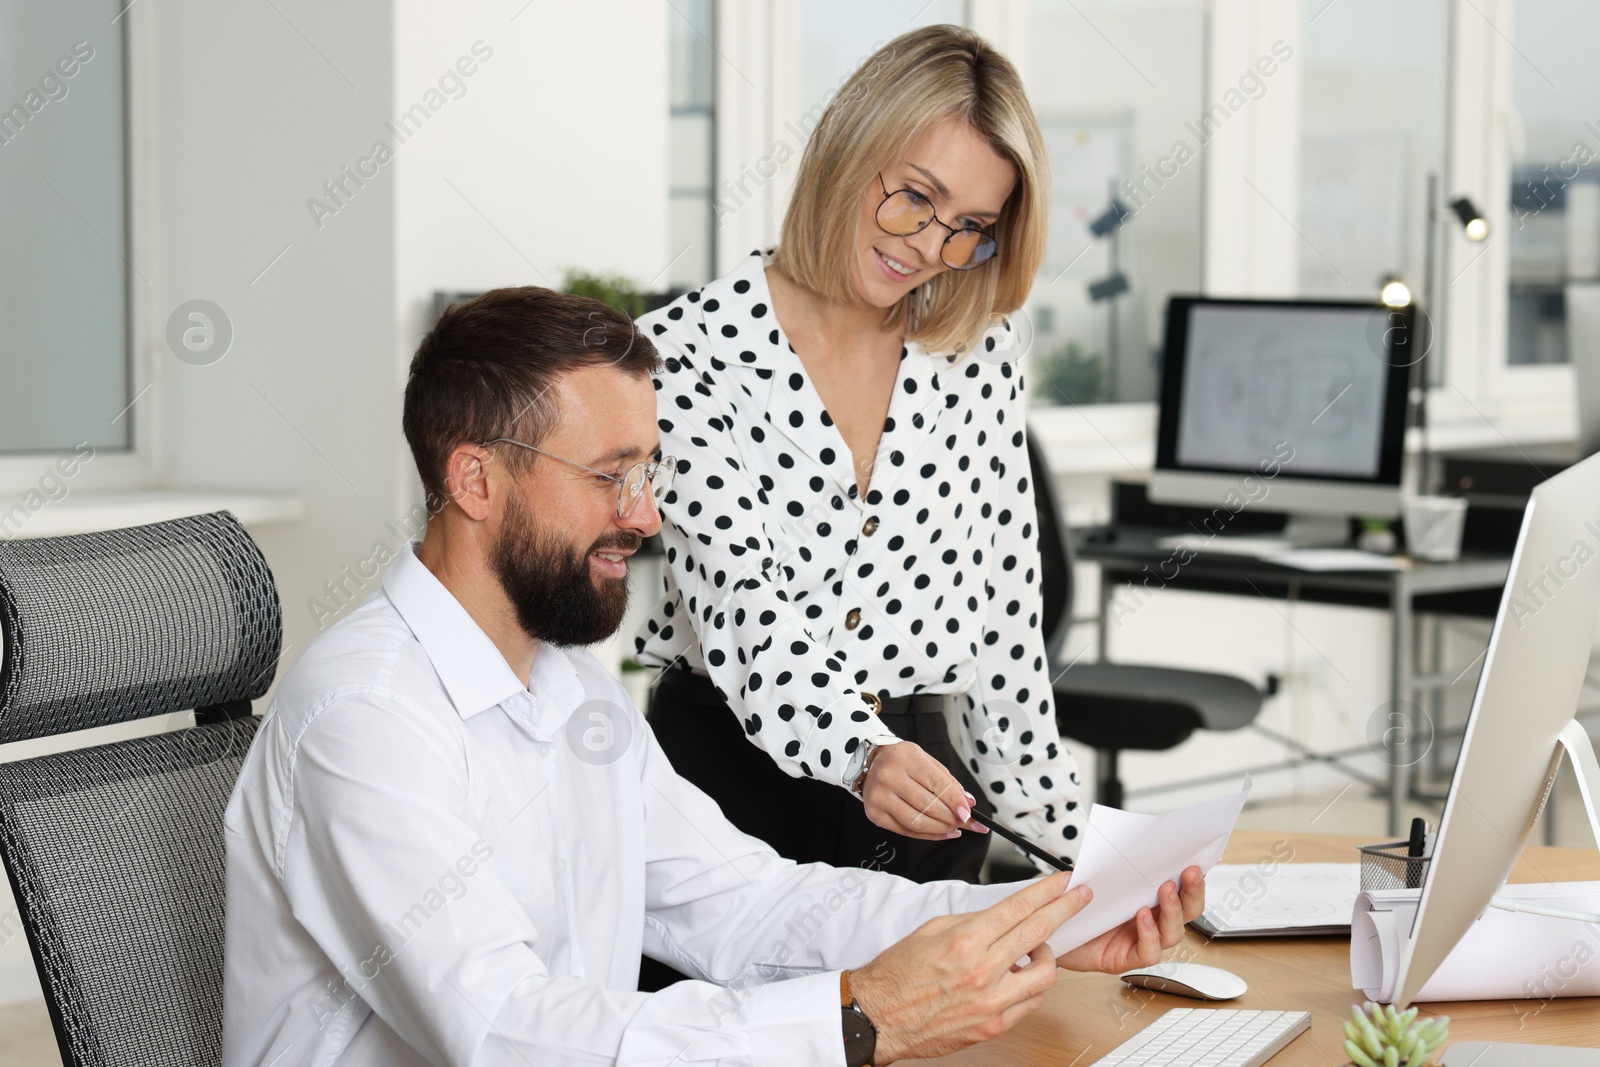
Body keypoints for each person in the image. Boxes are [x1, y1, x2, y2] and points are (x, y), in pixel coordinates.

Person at [222, 288, 1205, 1067]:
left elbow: (746, 906)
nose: (645, 515)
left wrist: (1034, 916)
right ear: (475, 479)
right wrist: (855, 1021)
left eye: (648, 471)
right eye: (610, 474)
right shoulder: (367, 717)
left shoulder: (572, 688)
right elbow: (505, 1033)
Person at [636, 24, 1081, 888]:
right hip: (730, 789)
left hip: (924, 794)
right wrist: (859, 750)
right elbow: (744, 609)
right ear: (849, 147)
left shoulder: (978, 356)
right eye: (915, 196)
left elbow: (1004, 626)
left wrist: (1083, 854)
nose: (927, 246)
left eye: (969, 228)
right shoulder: (688, 353)